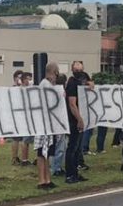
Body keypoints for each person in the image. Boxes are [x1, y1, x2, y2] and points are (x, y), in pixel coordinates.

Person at [34, 62, 60, 190]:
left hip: (50, 124)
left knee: (48, 152)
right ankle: (41, 180)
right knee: (41, 152)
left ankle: (47, 179)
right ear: (53, 72)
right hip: (43, 124)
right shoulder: (44, 84)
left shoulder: (50, 85)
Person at [63, 62, 87, 183]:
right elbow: (72, 104)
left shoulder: (80, 82)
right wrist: (79, 119)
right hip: (74, 120)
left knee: (77, 148)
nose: (79, 71)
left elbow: (89, 81)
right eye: (76, 69)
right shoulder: (72, 84)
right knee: (72, 148)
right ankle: (70, 174)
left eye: (80, 69)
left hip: (78, 118)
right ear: (73, 70)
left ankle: (75, 173)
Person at [10, 70, 30, 166]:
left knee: (20, 138)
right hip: (18, 116)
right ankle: (16, 158)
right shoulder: (16, 89)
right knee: (18, 139)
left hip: (21, 115)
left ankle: (18, 158)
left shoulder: (22, 89)